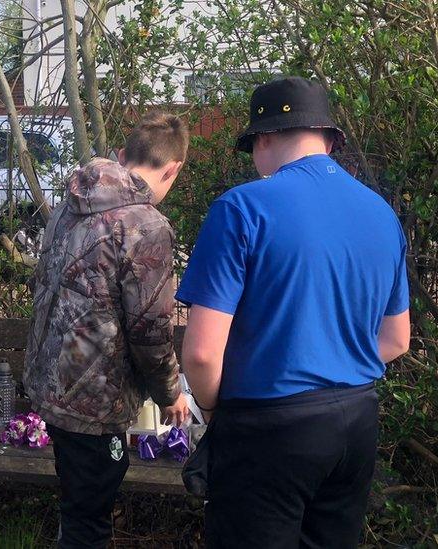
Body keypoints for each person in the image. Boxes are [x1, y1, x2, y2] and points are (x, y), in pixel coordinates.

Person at [176, 77, 411, 548]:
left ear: (264, 138)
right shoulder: (381, 213)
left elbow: (201, 354)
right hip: (356, 422)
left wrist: (212, 407)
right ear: (328, 138)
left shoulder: (242, 208)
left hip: (268, 426)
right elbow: (397, 340)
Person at [24, 111, 192, 549]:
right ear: (172, 169)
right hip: (93, 402)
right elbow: (149, 327)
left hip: (52, 385)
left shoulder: (68, 206)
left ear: (122, 156)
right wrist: (170, 392)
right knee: (89, 519)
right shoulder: (144, 225)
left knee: (78, 508)